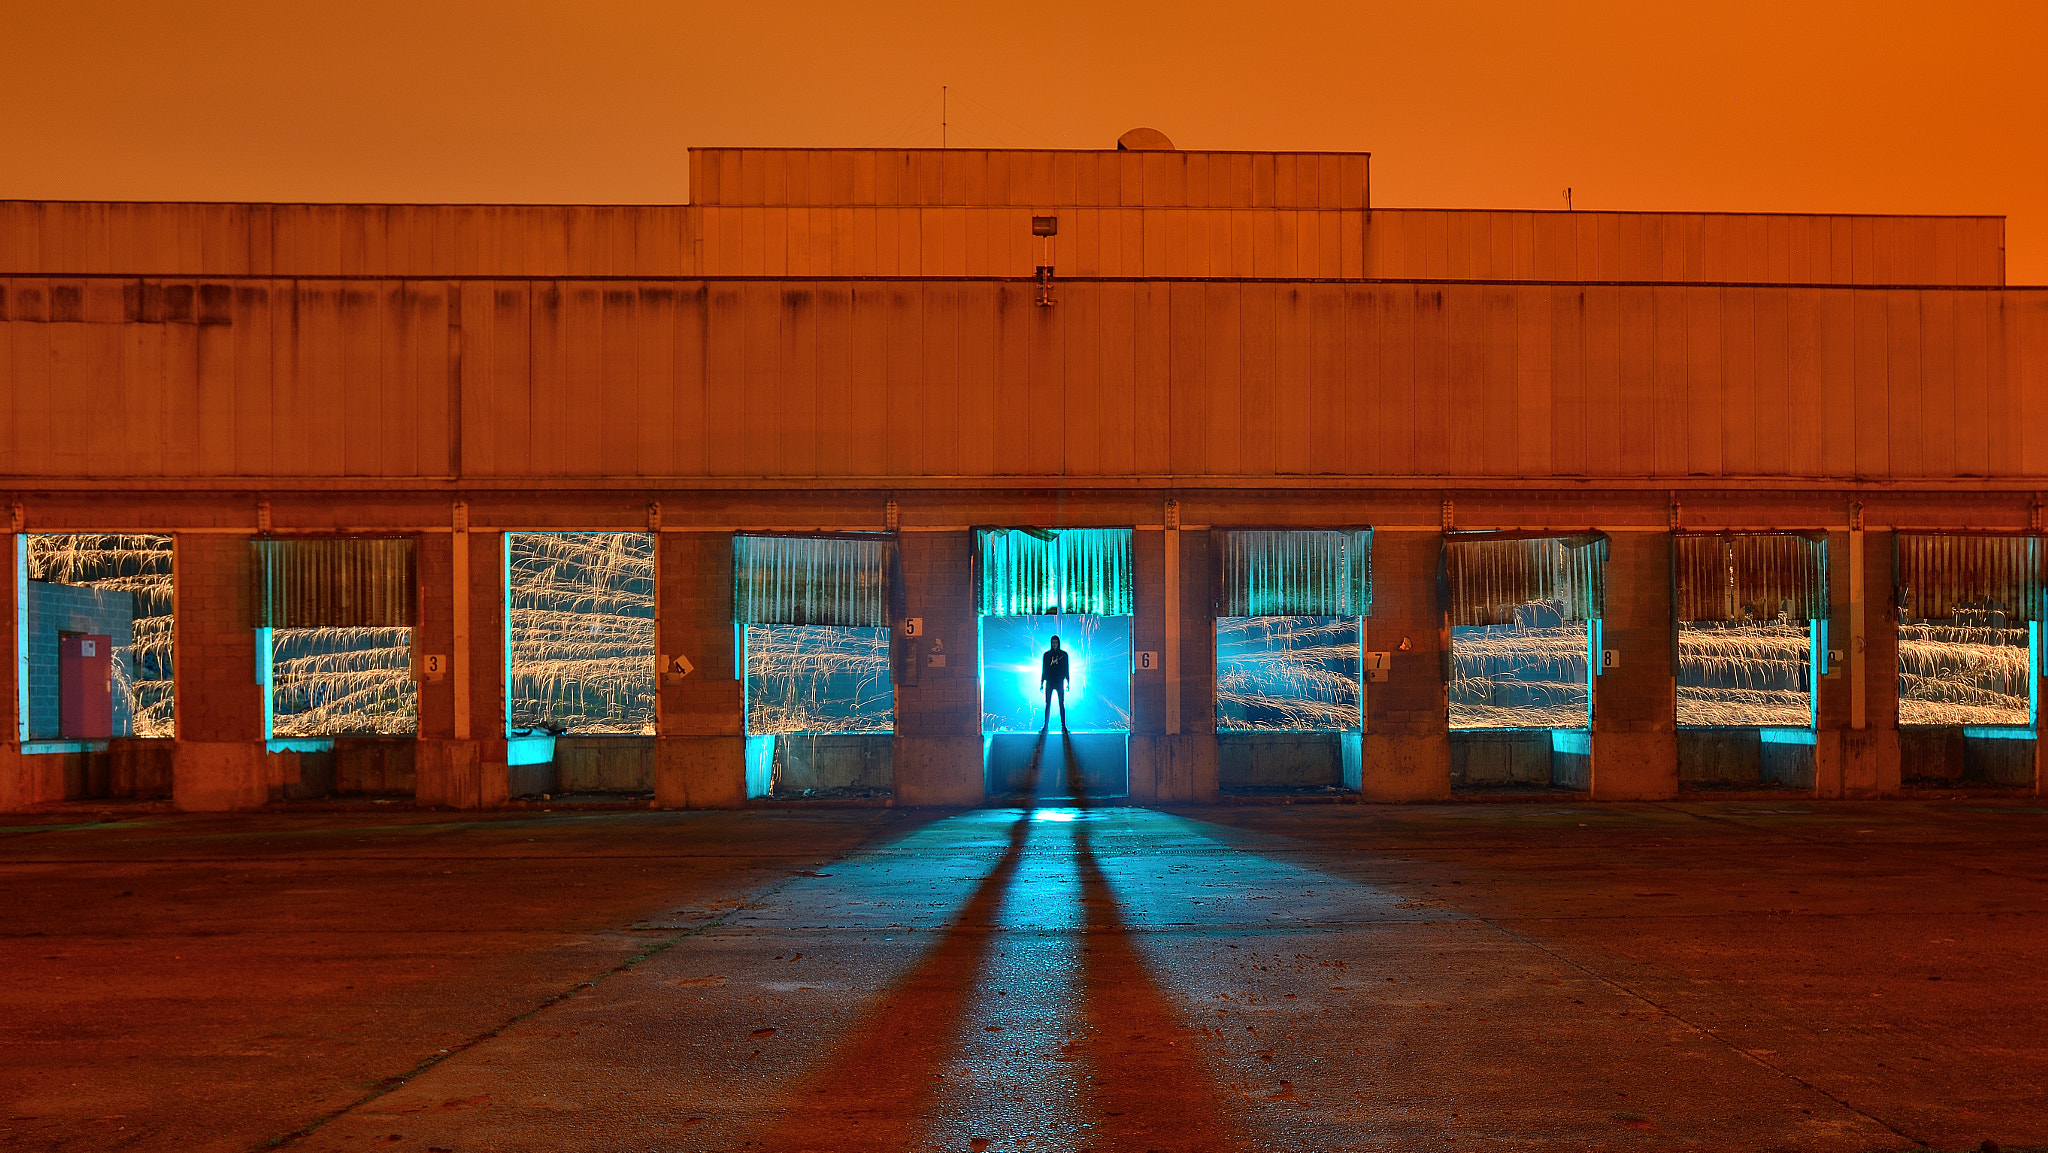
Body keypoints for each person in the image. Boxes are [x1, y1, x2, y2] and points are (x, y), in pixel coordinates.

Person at [1040, 636, 1070, 732]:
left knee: (1061, 704)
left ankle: (1063, 726)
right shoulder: (1047, 655)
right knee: (1047, 704)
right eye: (1053, 642)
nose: (1054, 644)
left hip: (1059, 682)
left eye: (1056, 642)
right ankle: (1045, 726)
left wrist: (1068, 682)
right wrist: (1042, 682)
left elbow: (1066, 668)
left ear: (1058, 643)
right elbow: (1044, 669)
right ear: (1051, 643)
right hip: (1050, 682)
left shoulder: (1064, 655)